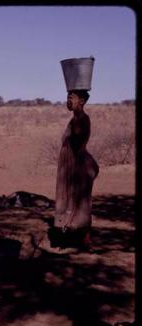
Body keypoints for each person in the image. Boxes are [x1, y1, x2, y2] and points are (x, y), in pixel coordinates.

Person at [53, 89, 99, 250]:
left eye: (72, 98)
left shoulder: (82, 118)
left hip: (79, 166)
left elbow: (79, 136)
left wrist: (77, 110)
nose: (68, 101)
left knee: (82, 202)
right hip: (70, 166)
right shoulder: (74, 119)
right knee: (70, 201)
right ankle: (71, 237)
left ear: (81, 102)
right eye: (67, 97)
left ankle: (85, 240)